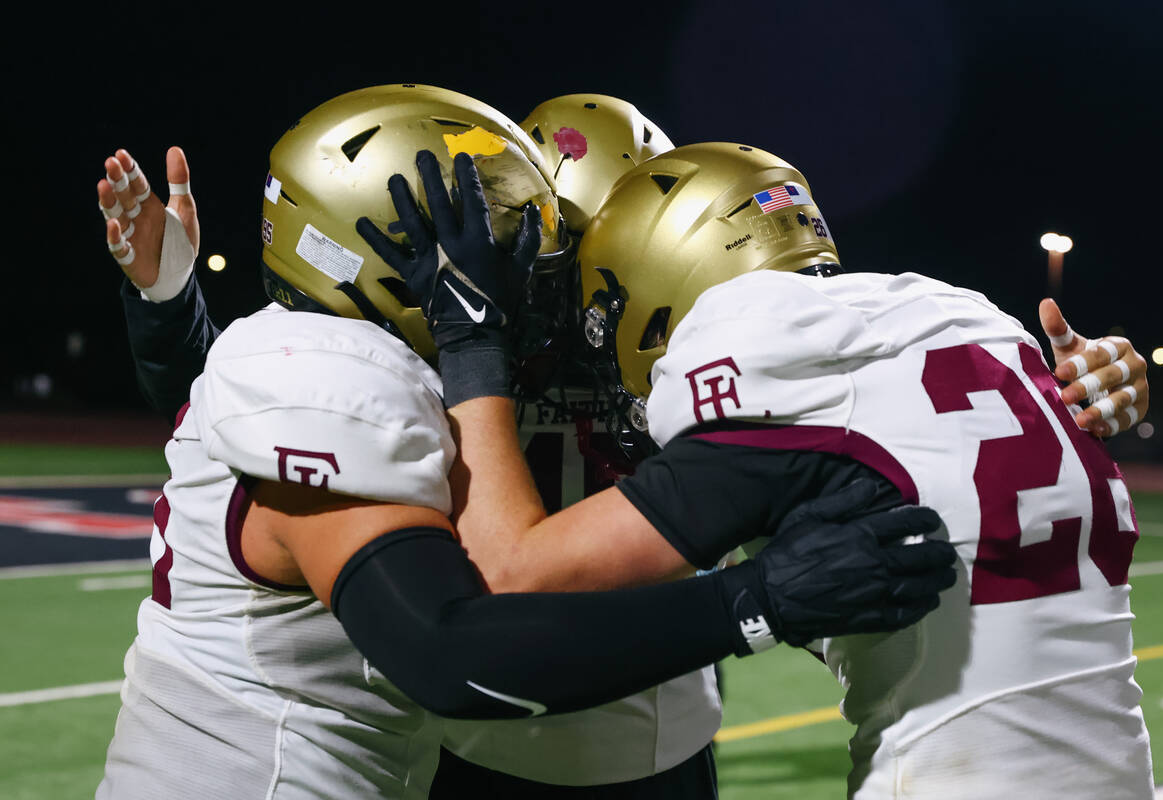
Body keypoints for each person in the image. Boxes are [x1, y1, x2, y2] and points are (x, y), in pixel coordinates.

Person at [94, 86, 956, 800]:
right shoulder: (414, 354)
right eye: (541, 248)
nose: (554, 282)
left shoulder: (566, 336)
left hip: (651, 708)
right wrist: (173, 311)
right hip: (483, 729)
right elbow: (249, 440)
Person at [535, 141, 1151, 798]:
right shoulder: (972, 319)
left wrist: (471, 352)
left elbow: (523, 575)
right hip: (1119, 769)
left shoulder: (768, 353)